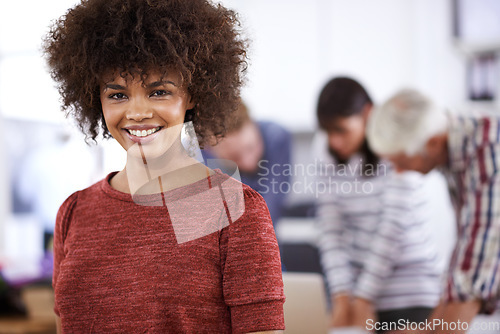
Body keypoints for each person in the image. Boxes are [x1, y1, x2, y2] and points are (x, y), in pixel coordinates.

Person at [43, 0, 285, 333]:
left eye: (159, 92)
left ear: (193, 95)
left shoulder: (233, 209)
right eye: (117, 95)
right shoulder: (73, 213)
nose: (137, 112)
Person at [367, 89, 500, 334]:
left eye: (402, 161)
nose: (398, 171)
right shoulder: (459, 152)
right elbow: (464, 262)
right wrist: (427, 330)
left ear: (433, 143)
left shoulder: (489, 152)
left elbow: (472, 277)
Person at [314, 77, 442, 332]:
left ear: (367, 113)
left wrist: (363, 297)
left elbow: (391, 229)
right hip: (359, 294)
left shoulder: (397, 142)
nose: (334, 142)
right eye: (327, 132)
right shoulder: (325, 151)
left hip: (412, 293)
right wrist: (341, 295)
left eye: (341, 130)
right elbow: (331, 230)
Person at [203, 101, 291, 225]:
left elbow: (269, 210)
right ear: (209, 150)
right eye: (234, 157)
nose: (249, 163)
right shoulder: (197, 161)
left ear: (254, 124)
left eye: (251, 148)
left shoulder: (277, 138)